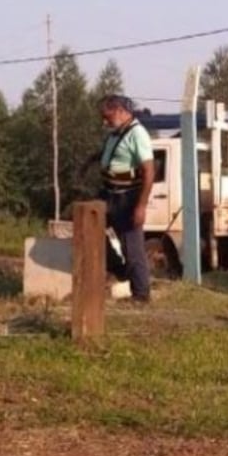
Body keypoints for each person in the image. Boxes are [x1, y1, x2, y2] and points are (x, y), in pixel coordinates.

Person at [96, 94, 155, 304]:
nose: (105, 122)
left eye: (108, 117)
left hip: (127, 198)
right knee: (88, 231)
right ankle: (119, 270)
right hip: (108, 194)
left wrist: (141, 206)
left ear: (121, 111)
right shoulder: (116, 133)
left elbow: (149, 171)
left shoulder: (137, 134)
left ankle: (141, 294)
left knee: (132, 247)